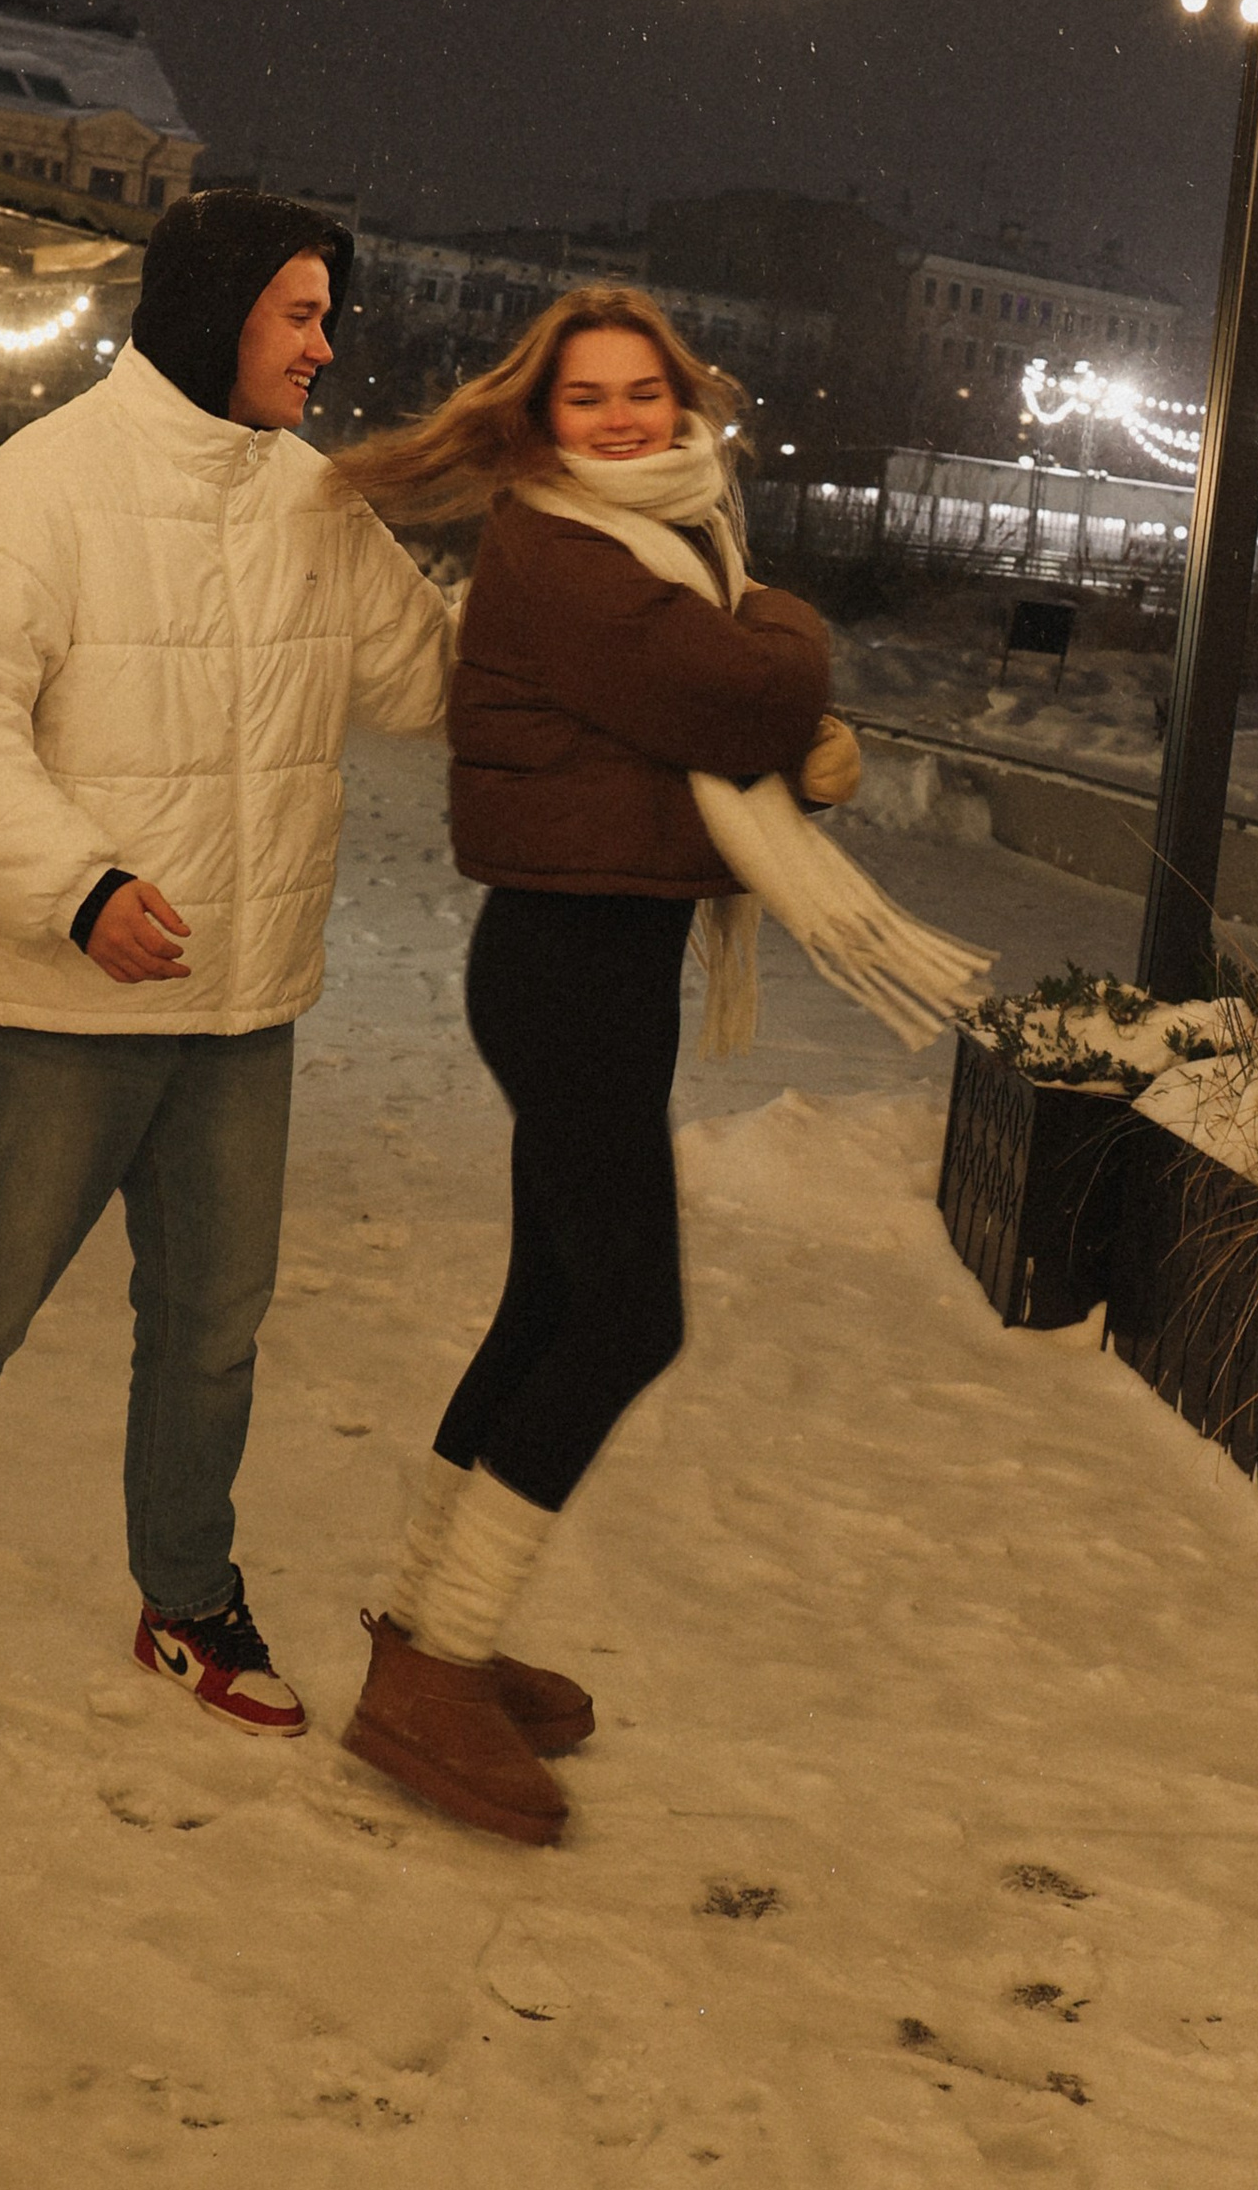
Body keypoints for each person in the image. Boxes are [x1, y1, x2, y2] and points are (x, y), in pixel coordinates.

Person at [329, 288, 985, 1845]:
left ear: (685, 402)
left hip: (595, 968)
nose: (620, 420)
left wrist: (764, 685)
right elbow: (747, 689)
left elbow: (703, 707)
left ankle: (426, 1634)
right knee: (630, 1317)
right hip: (563, 969)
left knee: (553, 1303)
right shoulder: (561, 553)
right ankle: (433, 1672)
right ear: (541, 422)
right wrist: (795, 649)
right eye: (587, 400)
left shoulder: (663, 543)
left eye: (643, 394)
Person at [0, 190, 454, 1736]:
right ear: (215, 311)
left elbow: (427, 679)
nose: (324, 344)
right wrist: (79, 887)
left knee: (212, 1329)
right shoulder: (48, 484)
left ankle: (185, 1598)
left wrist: (570, 575)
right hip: (53, 998)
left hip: (240, 1001)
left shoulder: (319, 502)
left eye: (326, 314)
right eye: (300, 312)